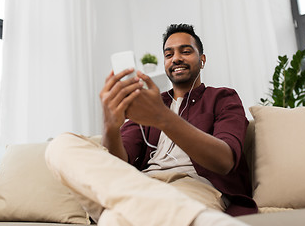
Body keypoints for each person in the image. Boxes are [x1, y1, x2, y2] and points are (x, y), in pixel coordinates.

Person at [45, 24, 257, 226]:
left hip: (193, 186)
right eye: (169, 54)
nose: (176, 58)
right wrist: (111, 126)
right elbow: (120, 164)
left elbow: (225, 161)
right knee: (61, 145)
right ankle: (199, 220)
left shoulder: (222, 97)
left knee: (113, 220)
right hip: (144, 183)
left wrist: (162, 117)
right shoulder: (149, 103)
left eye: (185, 51)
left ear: (202, 60)